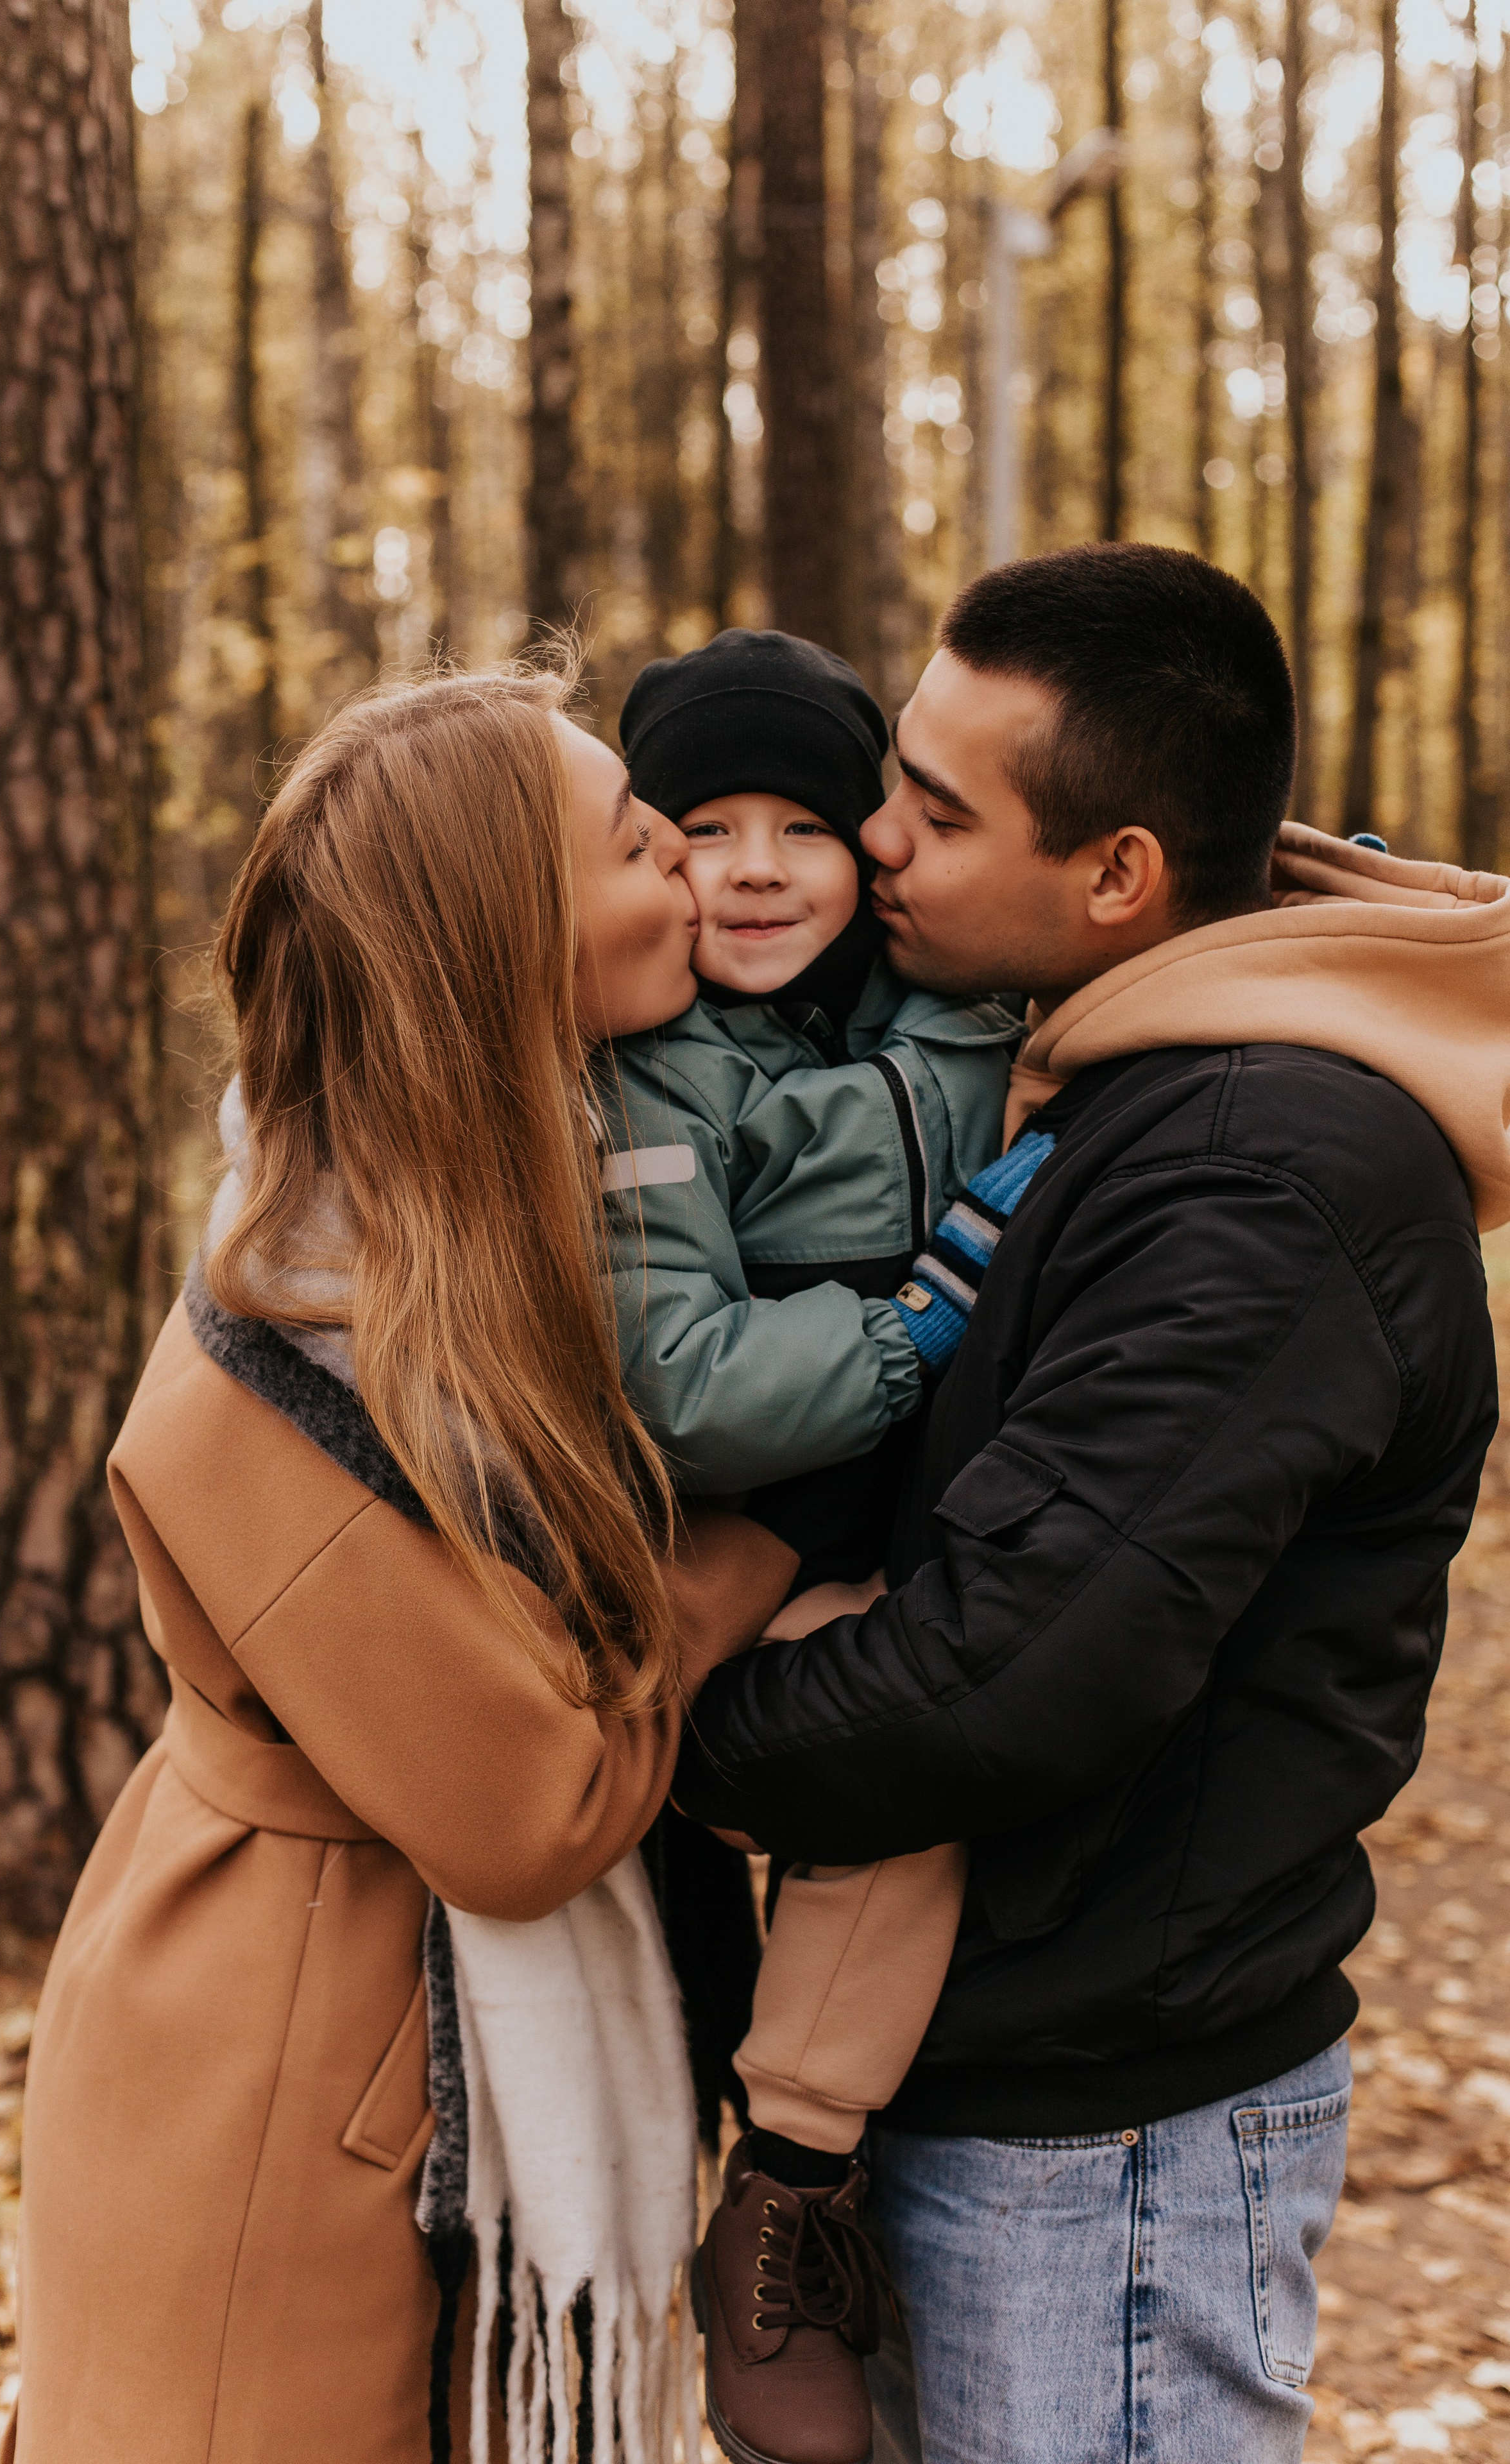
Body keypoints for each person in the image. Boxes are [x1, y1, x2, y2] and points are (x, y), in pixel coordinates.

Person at [675, 543, 1507, 2464]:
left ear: (1120, 873)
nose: (875, 840)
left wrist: (652, 1744)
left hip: (1105, 2151)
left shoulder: (1259, 1172)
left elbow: (1007, 1672)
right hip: (985, 2085)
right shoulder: (1120, 1077)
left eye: (937, 810)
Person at [3, 667, 790, 2464]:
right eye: (639, 846)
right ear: (505, 940)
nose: (690, 872)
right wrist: (757, 1561)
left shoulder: (506, 1219)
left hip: (356, 2031)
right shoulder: (291, 1336)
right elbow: (525, 1809)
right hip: (288, 2083)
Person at [605, 629, 1022, 2464]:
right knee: (887, 1768)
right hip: (750, 1538)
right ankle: (782, 2182)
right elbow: (681, 1384)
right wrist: (919, 1327)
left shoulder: (952, 1004)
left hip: (932, 1509)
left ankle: (793, 2158)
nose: (757, 870)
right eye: (704, 830)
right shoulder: (650, 1071)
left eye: (806, 827)